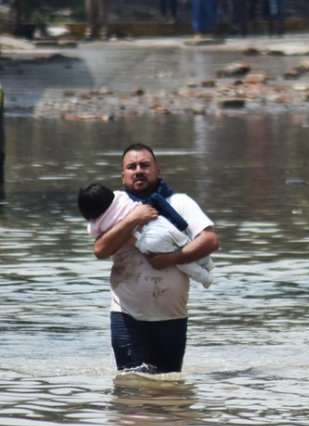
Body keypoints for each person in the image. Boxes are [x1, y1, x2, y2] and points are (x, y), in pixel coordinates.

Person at [91, 143, 220, 373]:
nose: (138, 171)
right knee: (131, 385)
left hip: (173, 318)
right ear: (123, 176)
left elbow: (210, 241)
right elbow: (100, 249)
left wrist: (172, 258)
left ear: (158, 171)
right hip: (127, 317)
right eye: (131, 167)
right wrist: (133, 219)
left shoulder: (179, 203)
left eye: (144, 165)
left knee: (169, 387)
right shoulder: (113, 209)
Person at [78, 183, 214, 289]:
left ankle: (205, 278)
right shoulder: (120, 196)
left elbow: (94, 235)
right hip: (158, 222)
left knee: (179, 261)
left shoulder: (98, 224)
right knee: (186, 244)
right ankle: (208, 264)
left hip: (146, 239)